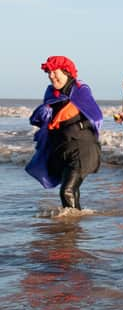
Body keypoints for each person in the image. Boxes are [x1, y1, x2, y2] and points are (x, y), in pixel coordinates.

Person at [26, 56, 103, 210]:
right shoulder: (50, 93)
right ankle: (75, 225)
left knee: (66, 191)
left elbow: (96, 117)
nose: (51, 76)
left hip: (82, 149)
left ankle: (69, 225)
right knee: (73, 190)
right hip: (62, 150)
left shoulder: (80, 90)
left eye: (54, 72)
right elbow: (45, 119)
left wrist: (78, 125)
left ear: (66, 72)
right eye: (49, 73)